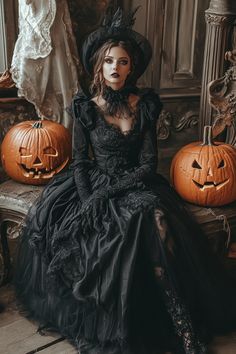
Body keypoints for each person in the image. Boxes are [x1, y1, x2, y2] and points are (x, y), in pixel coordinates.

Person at [15, 7, 236, 354]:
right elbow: (81, 163)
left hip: (136, 182)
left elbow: (148, 164)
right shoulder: (85, 107)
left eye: (123, 62)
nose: (116, 68)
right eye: (109, 62)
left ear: (131, 68)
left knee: (157, 218)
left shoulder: (144, 104)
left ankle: (183, 324)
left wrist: (114, 192)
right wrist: (91, 199)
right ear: (99, 67)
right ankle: (145, 320)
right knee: (134, 226)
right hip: (92, 185)